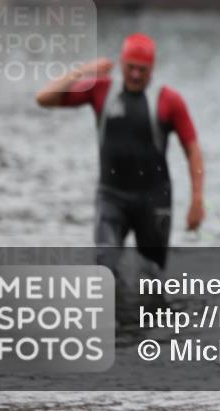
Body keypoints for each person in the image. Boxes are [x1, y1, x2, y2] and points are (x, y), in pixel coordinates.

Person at [35, 33, 205, 275]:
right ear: (121, 64)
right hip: (111, 197)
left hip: (154, 200)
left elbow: (193, 150)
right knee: (104, 269)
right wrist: (84, 71)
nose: (135, 75)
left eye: (142, 70)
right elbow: (43, 98)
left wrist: (197, 200)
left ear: (152, 69)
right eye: (130, 68)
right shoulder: (101, 90)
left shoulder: (168, 101)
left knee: (152, 275)